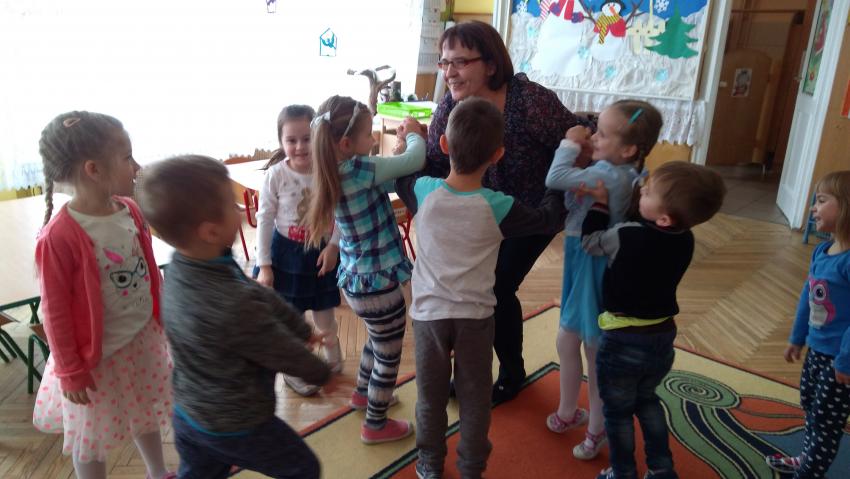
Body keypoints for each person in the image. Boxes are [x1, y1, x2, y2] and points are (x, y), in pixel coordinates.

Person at [137, 155, 339, 479]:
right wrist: (322, 374)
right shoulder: (231, 304)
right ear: (210, 231)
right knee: (303, 468)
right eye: (232, 206)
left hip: (188, 414)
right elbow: (278, 349)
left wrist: (300, 328)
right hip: (237, 425)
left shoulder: (183, 268)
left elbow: (256, 293)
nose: (241, 211)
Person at [396, 97, 566, 479]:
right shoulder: (499, 206)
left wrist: (410, 138)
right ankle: (472, 468)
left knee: (430, 399)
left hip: (428, 317)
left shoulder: (423, 190)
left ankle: (429, 464)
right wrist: (558, 176)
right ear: (498, 155)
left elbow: (401, 175)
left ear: (444, 145)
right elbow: (547, 219)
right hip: (475, 318)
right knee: (475, 400)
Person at [422, 20, 581, 403]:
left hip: (535, 210)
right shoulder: (450, 106)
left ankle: (511, 373)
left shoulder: (529, 101)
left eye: (460, 62)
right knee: (479, 288)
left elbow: (576, 134)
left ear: (491, 64)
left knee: (497, 286)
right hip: (483, 211)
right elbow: (433, 161)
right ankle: (473, 369)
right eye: (444, 63)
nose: (449, 72)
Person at [32, 111, 174, 479]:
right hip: (96, 360)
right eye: (127, 157)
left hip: (140, 341)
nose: (136, 167)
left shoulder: (130, 210)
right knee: (90, 437)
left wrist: (163, 317)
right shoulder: (60, 236)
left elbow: (149, 271)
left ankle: (158, 471)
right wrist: (70, 371)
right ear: (94, 169)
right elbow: (55, 313)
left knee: (145, 412)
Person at [580, 161, 726, 479]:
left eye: (647, 192)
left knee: (617, 413)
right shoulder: (686, 238)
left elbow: (590, 242)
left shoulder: (625, 235)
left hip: (622, 341)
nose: (641, 190)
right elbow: (648, 231)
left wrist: (600, 206)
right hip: (662, 337)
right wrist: (643, 199)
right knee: (646, 401)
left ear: (664, 218)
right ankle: (661, 468)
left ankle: (623, 472)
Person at [304, 95, 426, 444]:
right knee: (389, 354)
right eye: (368, 134)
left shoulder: (334, 171)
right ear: (346, 144)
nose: (373, 140)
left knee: (377, 339)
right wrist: (413, 134)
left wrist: (397, 153)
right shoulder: (360, 169)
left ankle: (362, 393)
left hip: (357, 281)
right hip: (378, 286)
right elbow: (415, 160)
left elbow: (389, 180)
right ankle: (375, 423)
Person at [544, 100, 661, 460]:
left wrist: (569, 143)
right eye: (595, 131)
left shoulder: (610, 175)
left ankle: (596, 429)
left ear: (628, 150)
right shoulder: (614, 171)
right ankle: (570, 412)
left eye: (603, 134)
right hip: (582, 257)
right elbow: (573, 203)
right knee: (571, 341)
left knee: (588, 347)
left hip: (591, 263)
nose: (593, 137)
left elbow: (554, 178)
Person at [253, 104, 343, 396]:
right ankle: (296, 371)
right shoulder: (276, 175)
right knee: (292, 320)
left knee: (325, 315)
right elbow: (265, 219)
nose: (300, 146)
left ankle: (333, 360)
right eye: (292, 140)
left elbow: (342, 213)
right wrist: (265, 265)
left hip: (320, 254)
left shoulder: (328, 170)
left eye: (306, 139)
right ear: (281, 142)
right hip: (286, 256)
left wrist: (334, 246)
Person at [766, 170, 850, 478]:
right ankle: (806, 459)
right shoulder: (822, 250)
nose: (813, 207)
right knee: (812, 409)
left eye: (822, 201)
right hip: (817, 350)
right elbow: (808, 295)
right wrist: (797, 336)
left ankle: (809, 472)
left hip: (840, 360)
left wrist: (845, 360)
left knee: (826, 423)